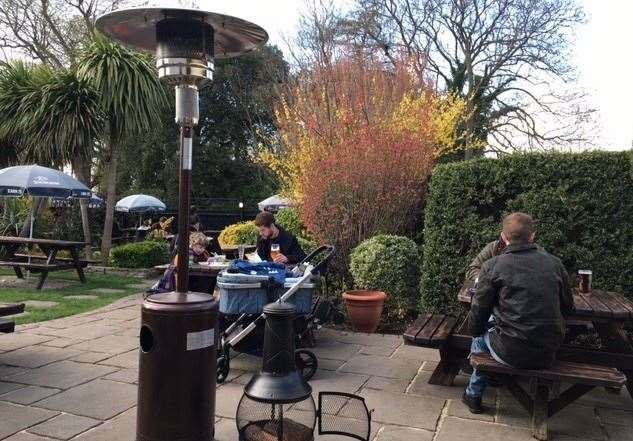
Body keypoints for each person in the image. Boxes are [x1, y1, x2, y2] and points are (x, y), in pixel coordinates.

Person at [462, 212, 575, 414]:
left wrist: (477, 330)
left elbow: (477, 314)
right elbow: (568, 308)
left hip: (510, 352)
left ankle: (473, 394)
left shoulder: (492, 266)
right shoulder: (555, 264)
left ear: (504, 237)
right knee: (486, 326)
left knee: (480, 330)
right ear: (533, 236)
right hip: (548, 352)